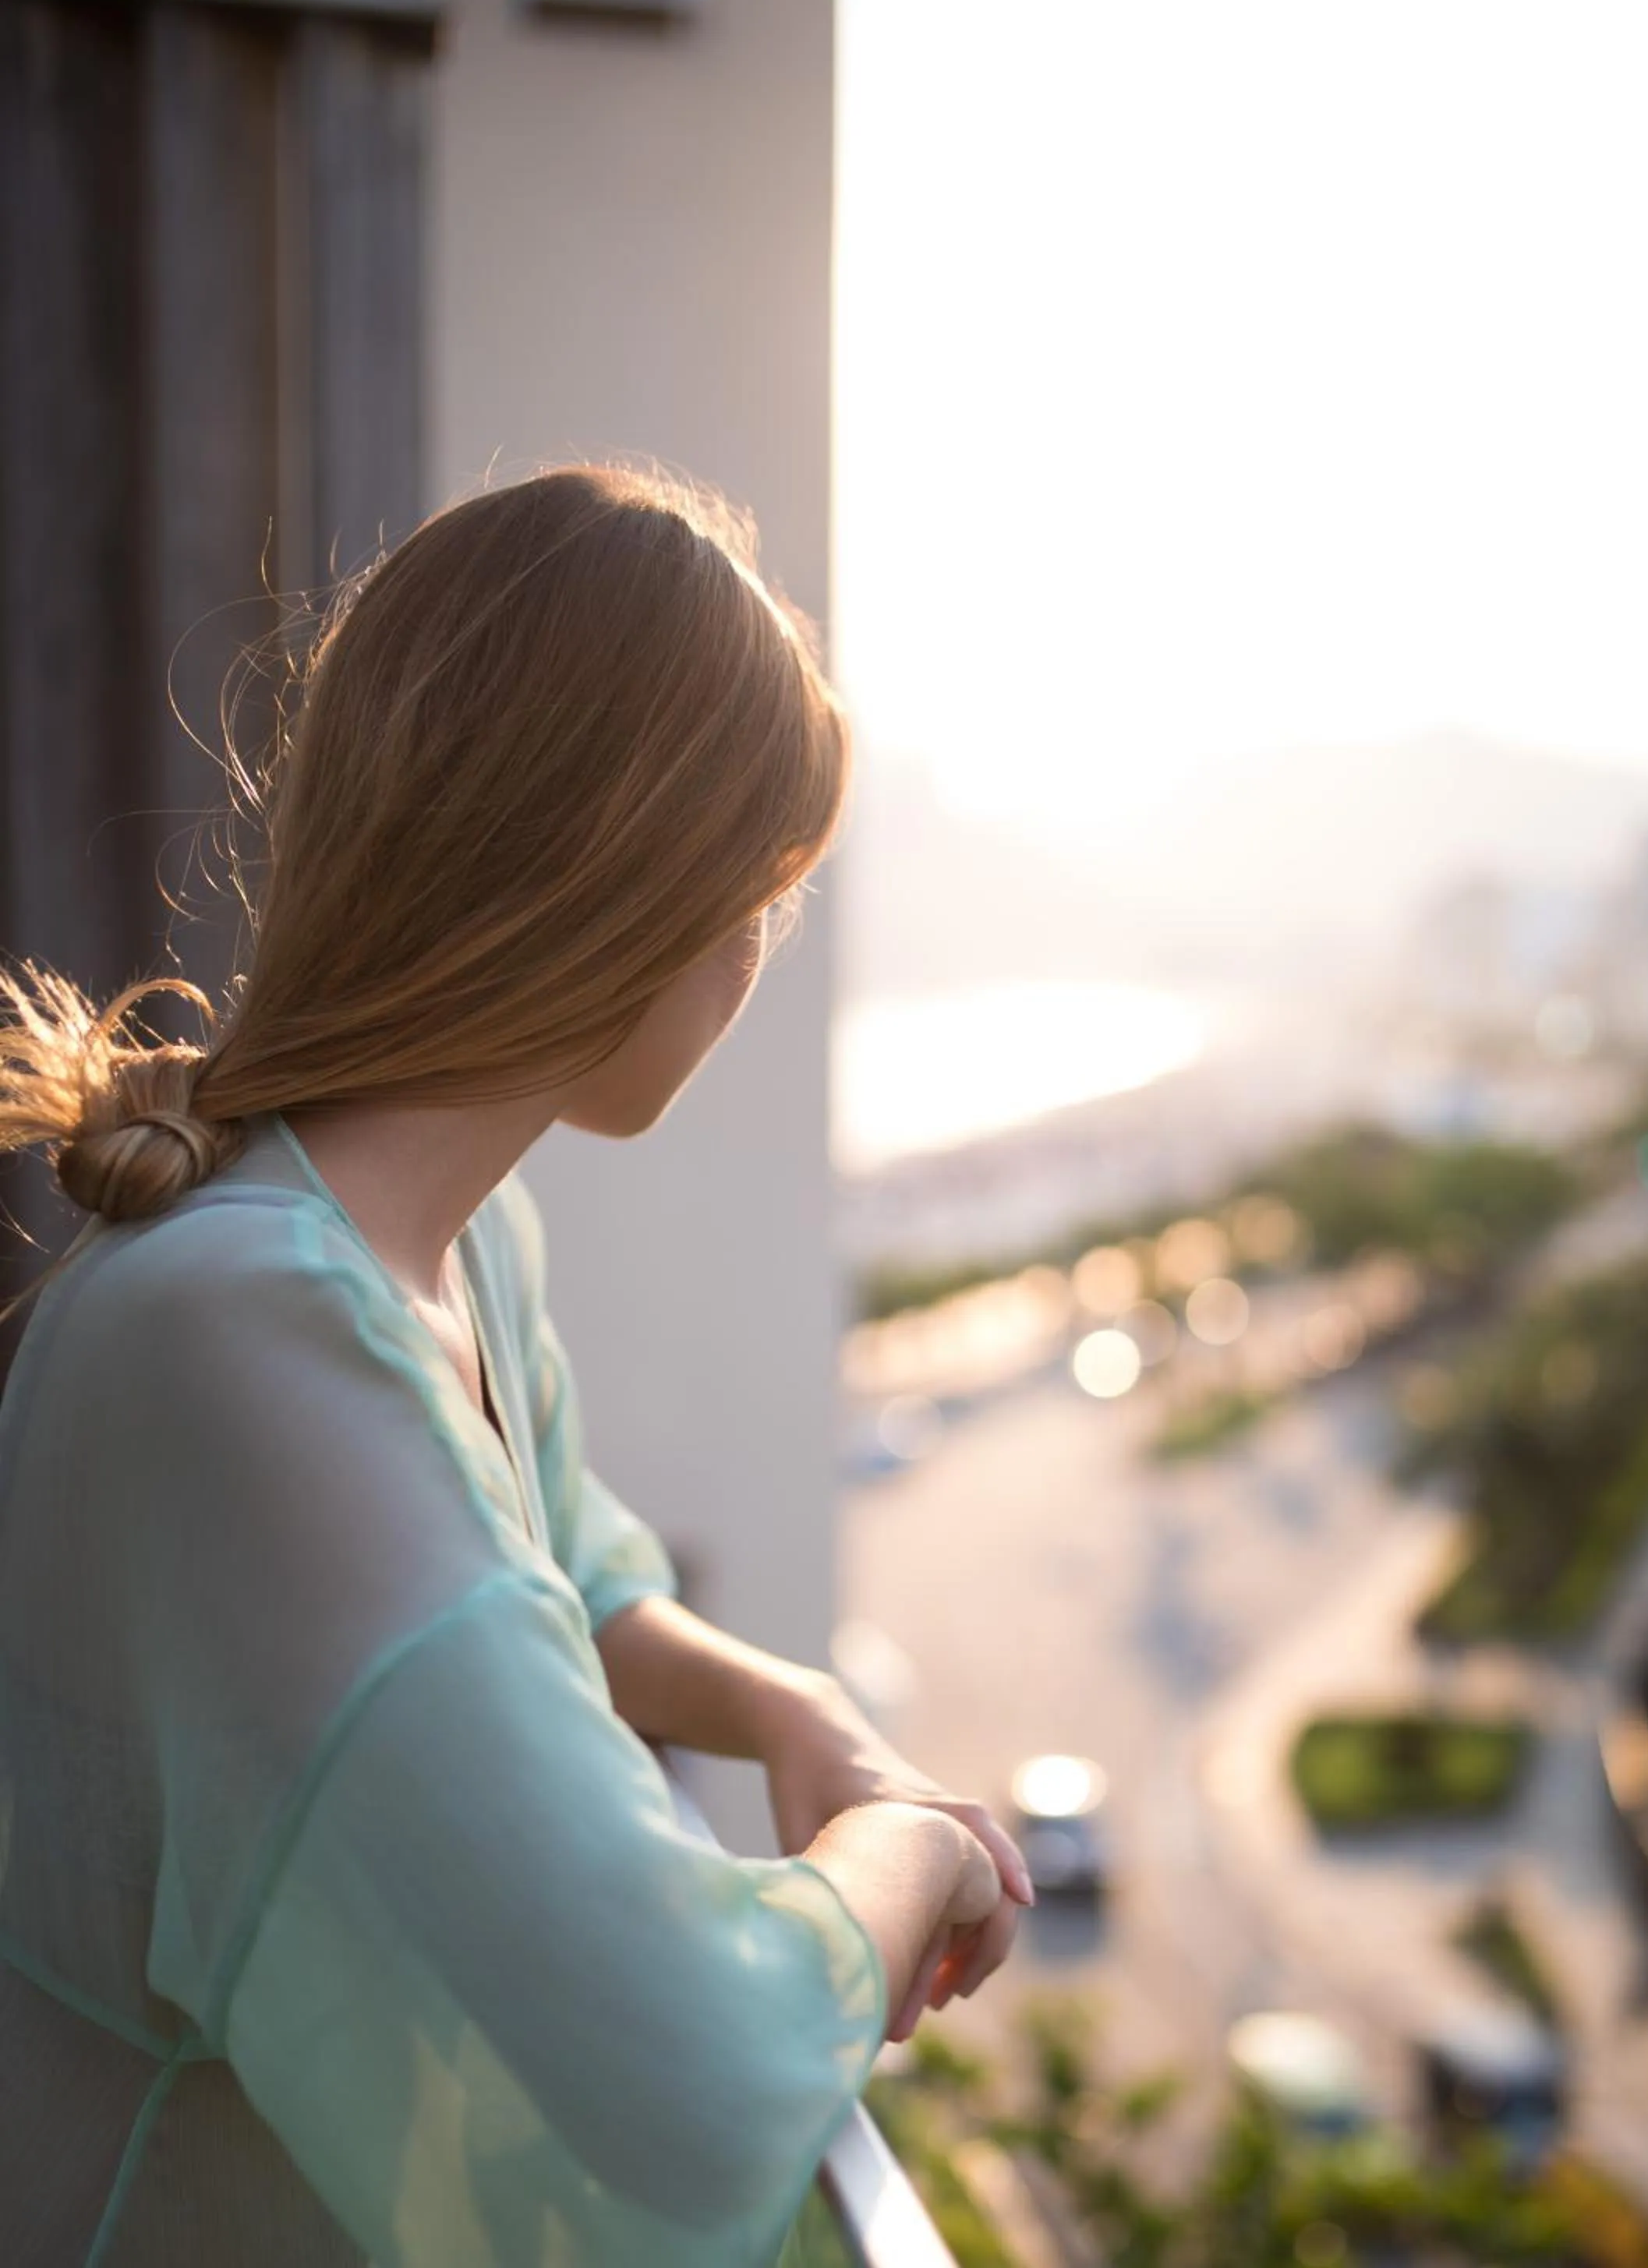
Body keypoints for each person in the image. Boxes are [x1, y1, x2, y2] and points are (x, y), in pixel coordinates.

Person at [0, 465, 1031, 2266]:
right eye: (756, 891)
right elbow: (690, 2077)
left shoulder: (436, 1238)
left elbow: (563, 1576)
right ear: (616, 883)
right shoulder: (255, 1350)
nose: (753, 953)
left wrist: (801, 1717)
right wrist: (913, 1854)